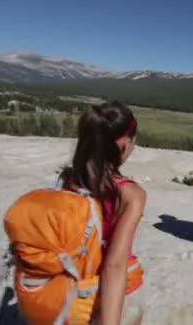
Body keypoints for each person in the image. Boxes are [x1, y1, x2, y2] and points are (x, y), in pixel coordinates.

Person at [59, 101, 147, 324]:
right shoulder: (130, 194)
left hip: (71, 285)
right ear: (125, 145)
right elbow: (114, 264)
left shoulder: (68, 181)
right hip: (110, 294)